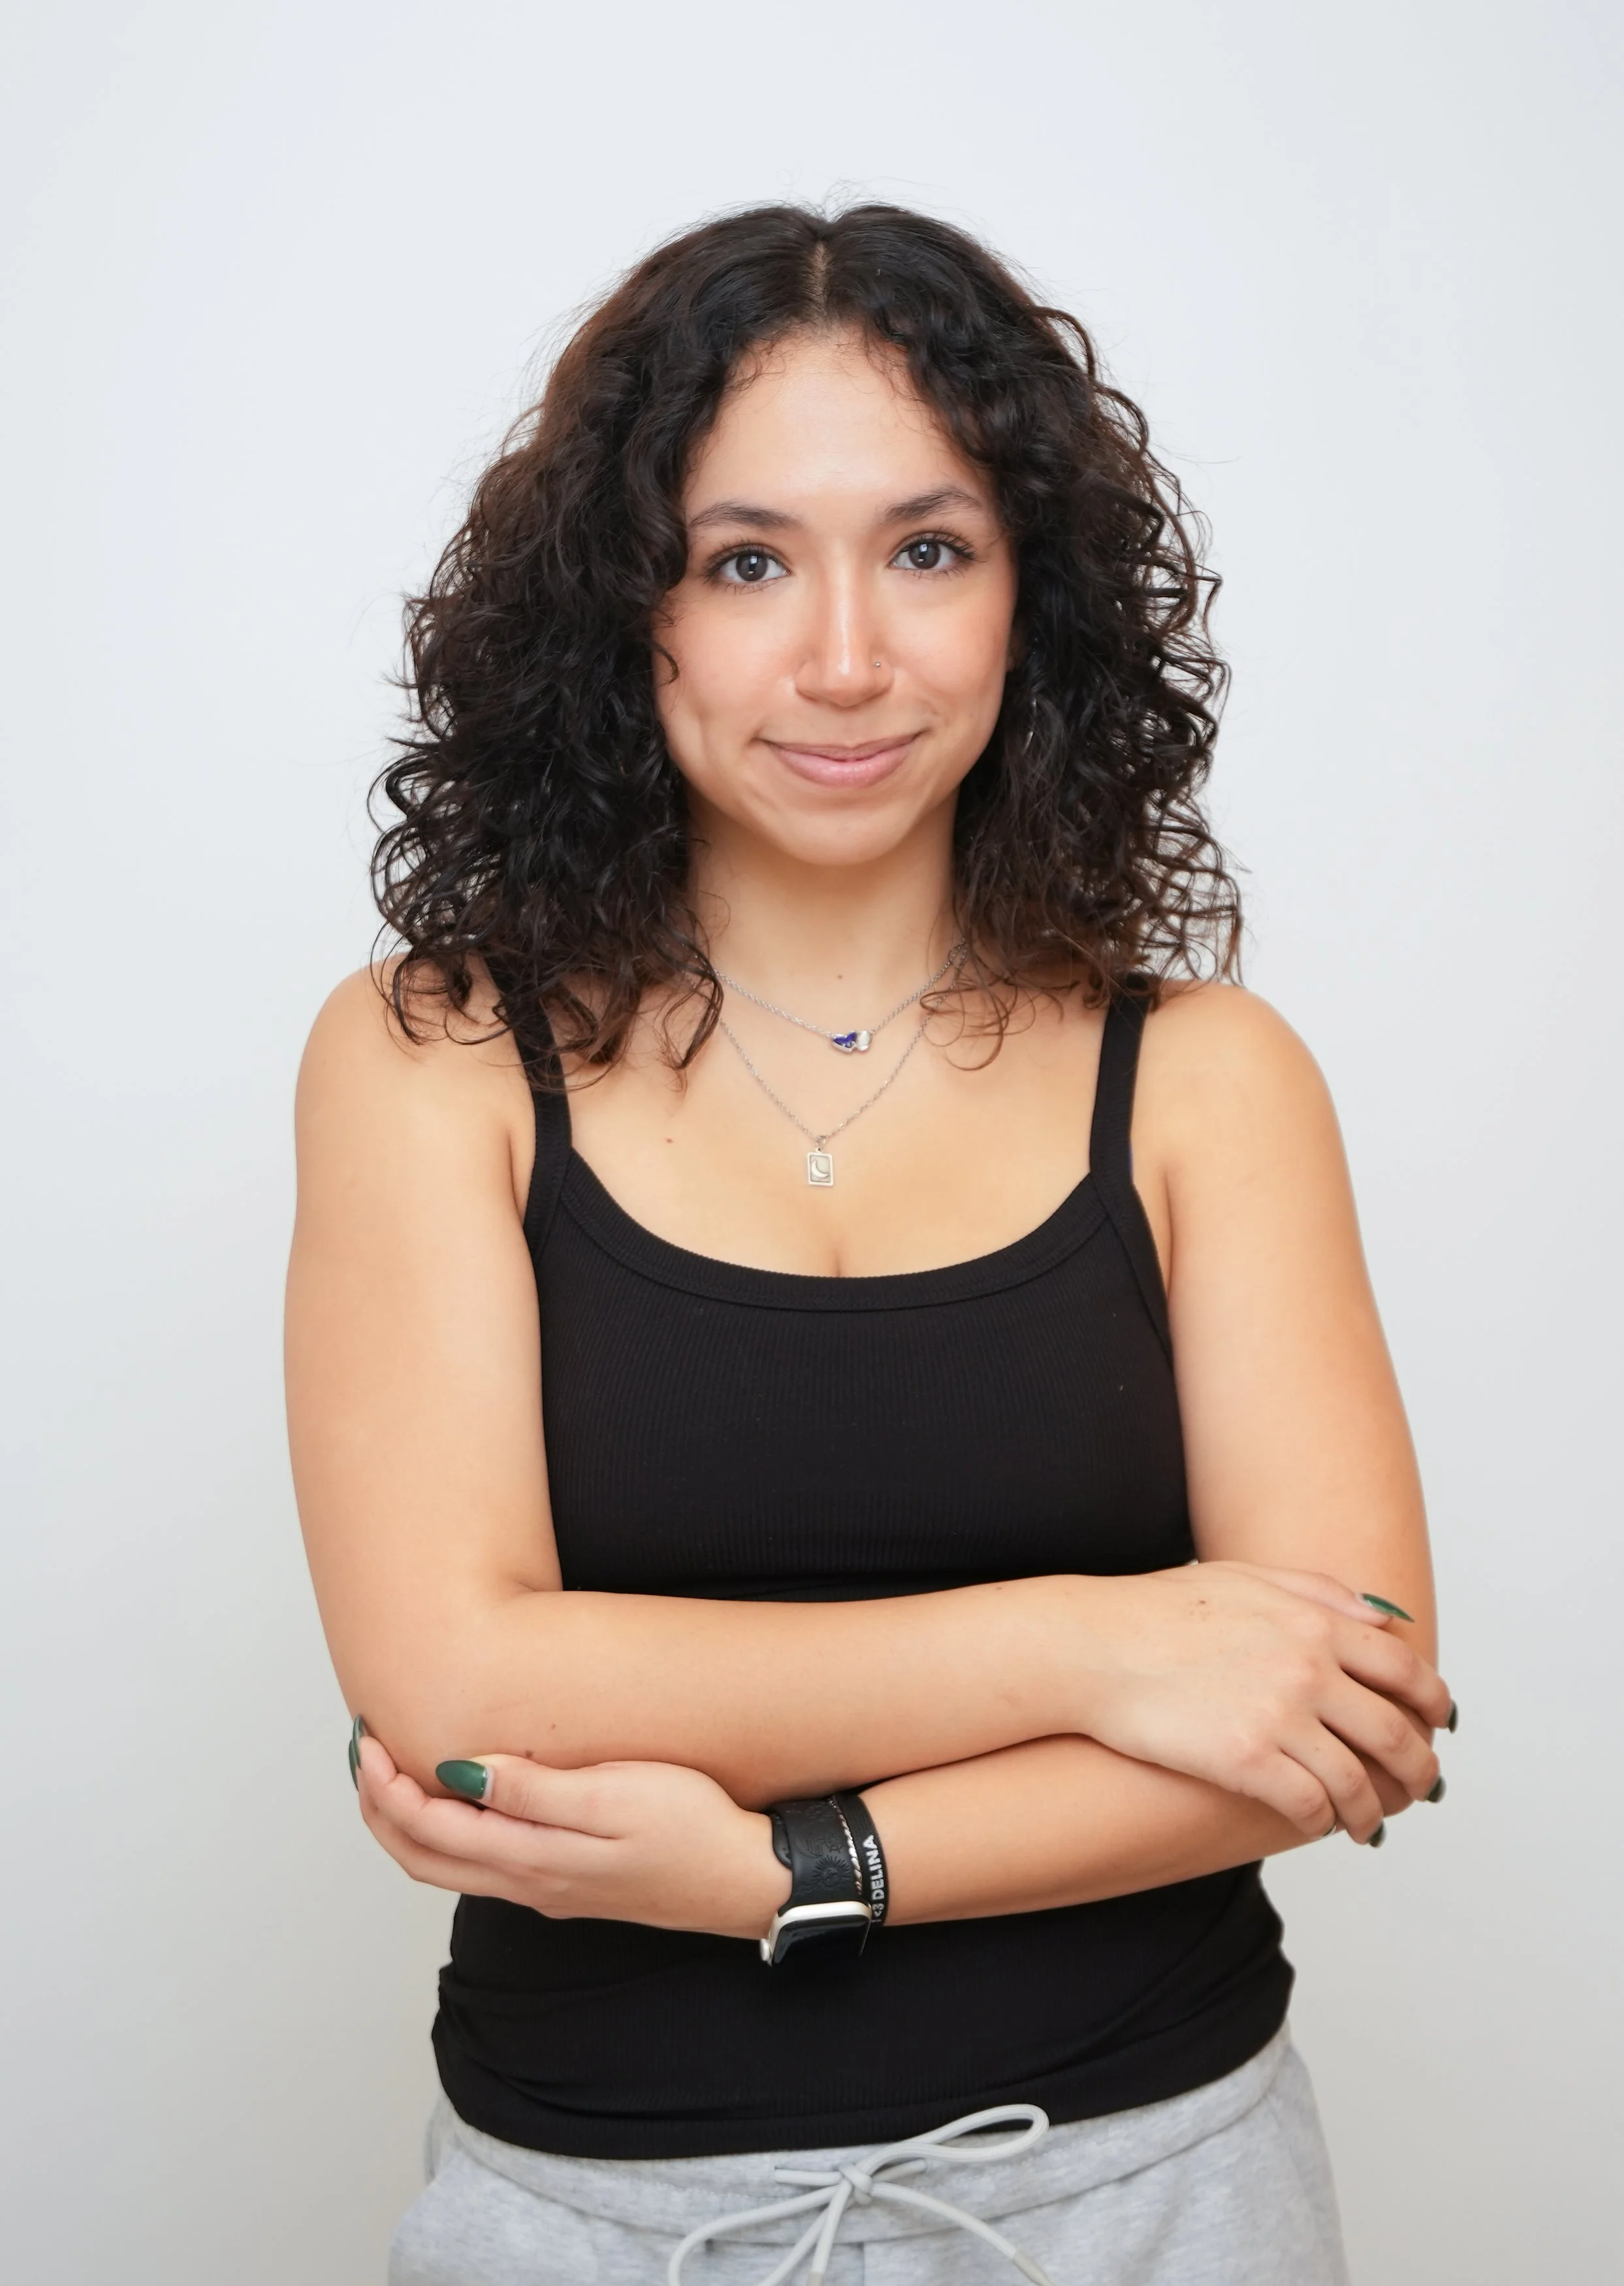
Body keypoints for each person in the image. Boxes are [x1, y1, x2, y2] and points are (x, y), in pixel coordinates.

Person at [286, 202, 1454, 2286]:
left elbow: (1338, 1706)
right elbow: (458, 1685)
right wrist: (1106, 1643)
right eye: (745, 561)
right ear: (623, 609)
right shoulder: (432, 1058)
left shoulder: (1207, 1080)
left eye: (927, 548)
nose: (844, 657)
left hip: (1160, 2198)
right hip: (599, 2217)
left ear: (1031, 596)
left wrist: (780, 1866)